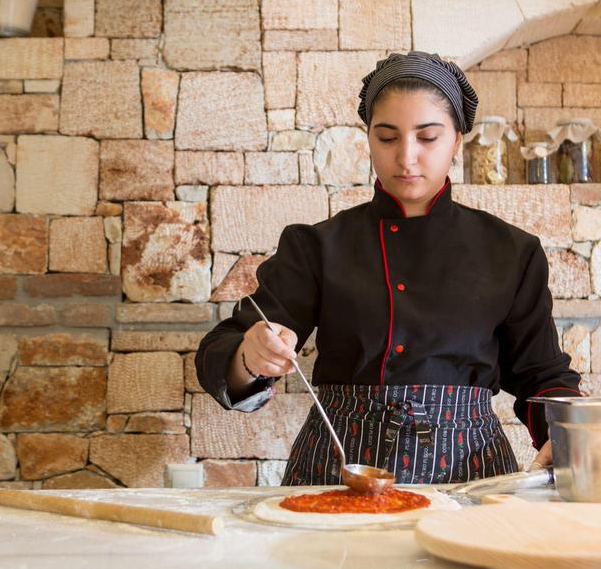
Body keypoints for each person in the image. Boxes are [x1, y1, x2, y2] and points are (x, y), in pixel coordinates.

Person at [196, 51, 581, 486]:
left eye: (428, 137)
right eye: (387, 137)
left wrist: (569, 436)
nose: (407, 157)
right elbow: (224, 346)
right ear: (369, 139)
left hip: (468, 475)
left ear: (457, 141)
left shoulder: (512, 251)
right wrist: (251, 356)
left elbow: (541, 374)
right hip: (338, 471)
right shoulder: (316, 246)